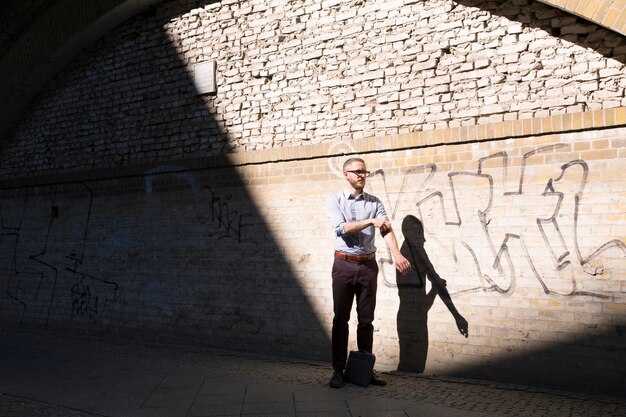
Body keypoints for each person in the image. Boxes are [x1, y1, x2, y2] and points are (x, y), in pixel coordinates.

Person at [326, 157, 411, 388]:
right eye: (358, 172)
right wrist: (370, 221)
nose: (362, 175)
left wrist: (396, 254)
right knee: (340, 319)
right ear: (346, 175)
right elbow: (340, 228)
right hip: (343, 265)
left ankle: (364, 370)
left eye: (365, 172)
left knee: (366, 321)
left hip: (367, 266)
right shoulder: (335, 201)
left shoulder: (374, 202)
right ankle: (337, 370)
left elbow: (386, 229)